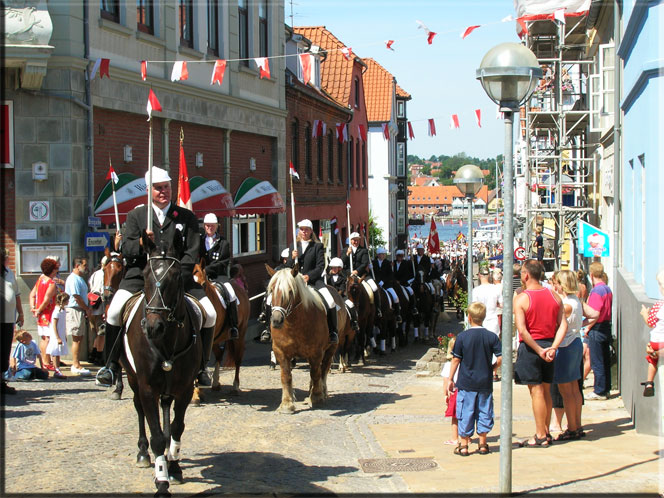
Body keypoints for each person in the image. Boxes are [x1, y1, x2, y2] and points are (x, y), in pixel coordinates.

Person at [96, 167, 217, 388]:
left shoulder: (186, 217)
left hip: (177, 278)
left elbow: (192, 250)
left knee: (210, 314)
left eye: (166, 187)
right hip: (140, 277)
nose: (163, 192)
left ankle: (201, 366)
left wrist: (176, 275)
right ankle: (111, 366)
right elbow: (126, 247)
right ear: (149, 191)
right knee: (113, 312)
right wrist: (142, 243)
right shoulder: (137, 216)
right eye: (158, 188)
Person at [513, 259, 568, 447]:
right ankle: (545, 431)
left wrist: (539, 350)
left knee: (536, 391)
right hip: (549, 346)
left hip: (532, 348)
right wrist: (553, 347)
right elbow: (563, 326)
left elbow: (522, 330)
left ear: (526, 275)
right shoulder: (554, 296)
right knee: (547, 390)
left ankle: (540, 434)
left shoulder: (522, 298)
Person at [447, 302, 502, 456]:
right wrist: (492, 368)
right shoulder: (491, 336)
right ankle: (483, 443)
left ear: (469, 317)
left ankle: (464, 445)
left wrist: (450, 378)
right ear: (483, 317)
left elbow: (456, 359)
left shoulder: (463, 337)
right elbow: (501, 357)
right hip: (484, 382)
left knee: (466, 411)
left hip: (466, 382)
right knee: (484, 410)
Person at [550, 270, 599, 440]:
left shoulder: (566, 305)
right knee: (575, 388)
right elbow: (595, 314)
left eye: (555, 283)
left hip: (564, 346)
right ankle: (576, 425)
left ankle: (571, 427)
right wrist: (580, 325)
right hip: (575, 343)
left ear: (561, 285)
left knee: (566, 391)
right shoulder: (576, 301)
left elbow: (555, 323)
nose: (553, 285)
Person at [284, 219, 338, 344]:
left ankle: (333, 331)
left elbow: (320, 266)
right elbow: (288, 267)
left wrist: (308, 276)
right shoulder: (293, 245)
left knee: (330, 302)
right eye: (301, 229)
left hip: (314, 281)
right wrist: (292, 258)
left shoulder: (317, 246)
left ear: (311, 231)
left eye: (306, 229)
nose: (304, 232)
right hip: (296, 282)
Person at [200, 213, 239, 340]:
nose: (209, 228)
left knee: (231, 293)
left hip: (218, 275)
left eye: (212, 226)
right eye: (207, 226)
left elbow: (223, 262)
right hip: (201, 276)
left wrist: (206, 270)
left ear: (217, 226)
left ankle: (233, 325)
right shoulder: (199, 241)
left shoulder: (224, 243)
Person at [585, 261, 613, 400]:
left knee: (597, 361)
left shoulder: (597, 291)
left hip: (597, 327)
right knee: (605, 360)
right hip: (606, 326)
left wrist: (587, 327)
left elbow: (594, 313)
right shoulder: (607, 289)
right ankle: (606, 388)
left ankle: (599, 390)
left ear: (591, 275)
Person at [472, 267, 503, 381]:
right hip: (492, 318)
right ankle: (493, 372)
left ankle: (480, 369)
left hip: (479, 320)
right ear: (489, 276)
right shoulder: (496, 289)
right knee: (493, 346)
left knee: (479, 346)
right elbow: (501, 303)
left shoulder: (476, 290)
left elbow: (473, 306)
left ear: (480, 275)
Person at [28, 257, 59, 371]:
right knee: (48, 338)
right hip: (47, 313)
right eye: (56, 269)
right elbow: (47, 300)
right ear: (52, 270)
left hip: (41, 314)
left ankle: (46, 361)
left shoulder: (40, 279)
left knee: (43, 338)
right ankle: (46, 361)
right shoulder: (51, 283)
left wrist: (33, 308)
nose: (57, 271)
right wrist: (39, 310)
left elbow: (32, 295)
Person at [1, 249, 24, 394]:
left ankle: (2, 382)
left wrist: (21, 313)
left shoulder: (9, 273)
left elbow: (16, 295)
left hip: (8, 318)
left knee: (5, 350)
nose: (6, 260)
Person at [343, 232, 381, 318]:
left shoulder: (364, 250)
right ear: (351, 241)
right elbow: (342, 263)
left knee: (374, 287)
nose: (355, 242)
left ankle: (378, 309)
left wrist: (357, 270)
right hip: (349, 275)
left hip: (361, 274)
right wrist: (347, 254)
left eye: (357, 240)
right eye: (353, 240)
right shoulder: (345, 250)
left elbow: (364, 263)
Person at [64, 257, 92, 376]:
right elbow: (76, 296)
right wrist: (86, 308)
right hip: (75, 309)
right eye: (84, 265)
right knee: (76, 337)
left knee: (79, 337)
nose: (86, 268)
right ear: (77, 265)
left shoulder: (80, 279)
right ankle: (75, 363)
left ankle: (77, 362)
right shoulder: (74, 279)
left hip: (80, 309)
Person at [639, 269, 664, 397]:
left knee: (652, 361)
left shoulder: (659, 305)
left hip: (656, 341)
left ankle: (649, 382)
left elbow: (650, 322)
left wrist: (645, 314)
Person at [325, 257, 360, 332]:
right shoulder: (327, 277)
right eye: (332, 267)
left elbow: (342, 289)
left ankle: (354, 322)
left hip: (340, 297)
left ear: (340, 268)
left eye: (335, 268)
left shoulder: (343, 278)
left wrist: (336, 296)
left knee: (351, 305)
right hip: (330, 297)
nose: (333, 269)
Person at [373, 247, 402, 323]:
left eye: (383, 254)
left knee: (395, 297)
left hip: (387, 285)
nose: (382, 256)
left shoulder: (387, 263)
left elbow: (390, 275)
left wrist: (383, 281)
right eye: (381, 254)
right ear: (378, 255)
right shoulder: (373, 263)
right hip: (377, 284)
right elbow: (373, 274)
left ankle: (398, 314)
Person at [87, 262, 105, 366]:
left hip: (92, 304)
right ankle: (99, 356)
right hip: (99, 305)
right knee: (101, 332)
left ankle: (93, 354)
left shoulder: (94, 274)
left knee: (96, 332)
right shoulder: (102, 274)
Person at [48, 292, 69, 379]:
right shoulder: (56, 311)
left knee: (58, 352)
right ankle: (56, 369)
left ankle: (58, 368)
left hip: (61, 333)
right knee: (55, 352)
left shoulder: (63, 310)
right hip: (56, 334)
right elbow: (54, 324)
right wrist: (57, 337)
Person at [393, 249, 419, 316]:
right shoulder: (393, 263)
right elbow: (391, 273)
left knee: (411, 291)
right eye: (398, 256)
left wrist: (413, 261)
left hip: (403, 283)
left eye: (401, 256)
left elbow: (407, 274)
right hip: (394, 283)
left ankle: (413, 307)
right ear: (396, 256)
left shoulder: (406, 263)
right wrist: (395, 280)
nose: (400, 257)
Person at [441, 353, 459, 447]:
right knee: (467, 415)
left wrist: (445, 395)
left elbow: (446, 381)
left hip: (454, 392)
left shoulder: (449, 364)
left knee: (455, 417)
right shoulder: (466, 362)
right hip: (466, 391)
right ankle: (467, 438)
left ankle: (455, 438)